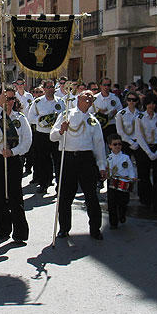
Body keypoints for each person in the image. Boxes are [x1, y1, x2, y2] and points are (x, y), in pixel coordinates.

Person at [50, 90, 107, 240]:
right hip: (68, 157)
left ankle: (95, 228)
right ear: (78, 98)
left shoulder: (93, 121)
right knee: (65, 197)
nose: (89, 98)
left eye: (91, 97)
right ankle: (64, 228)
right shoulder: (65, 115)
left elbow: (99, 145)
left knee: (91, 196)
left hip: (86, 159)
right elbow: (52, 136)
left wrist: (102, 166)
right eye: (86, 95)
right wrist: (61, 130)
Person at [0, 86, 32, 244]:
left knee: (15, 195)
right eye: (7, 98)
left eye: (12, 99)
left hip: (14, 159)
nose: (10, 102)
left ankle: (20, 232)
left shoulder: (20, 118)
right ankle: (2, 229)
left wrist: (14, 151)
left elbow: (27, 141)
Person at [27, 79, 65, 194]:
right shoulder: (38, 102)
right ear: (44, 89)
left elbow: (65, 116)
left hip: (56, 134)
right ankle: (44, 183)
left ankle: (59, 185)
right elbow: (30, 118)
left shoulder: (61, 102)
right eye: (48, 87)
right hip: (42, 134)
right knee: (43, 161)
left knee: (58, 161)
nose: (50, 89)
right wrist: (41, 120)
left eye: (52, 87)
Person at [135, 93, 157, 212]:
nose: (151, 106)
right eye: (149, 103)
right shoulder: (139, 118)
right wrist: (148, 152)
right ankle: (146, 199)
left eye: (153, 103)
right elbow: (139, 135)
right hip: (144, 149)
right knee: (144, 176)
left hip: (156, 148)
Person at [106, 133, 136, 230]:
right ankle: (113, 223)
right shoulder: (108, 158)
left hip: (124, 181)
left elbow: (130, 168)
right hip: (112, 181)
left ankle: (122, 214)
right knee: (112, 203)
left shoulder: (125, 157)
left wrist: (132, 177)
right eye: (115, 144)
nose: (117, 146)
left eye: (119, 144)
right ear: (110, 146)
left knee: (123, 201)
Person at [92, 77, 122, 142]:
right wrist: (99, 113)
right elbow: (90, 112)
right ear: (100, 86)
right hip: (99, 126)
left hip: (111, 125)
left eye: (108, 85)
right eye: (104, 85)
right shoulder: (95, 98)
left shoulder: (115, 98)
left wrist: (115, 113)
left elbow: (120, 111)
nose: (106, 87)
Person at [115, 91, 140, 157]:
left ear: (137, 101)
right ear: (126, 100)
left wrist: (137, 142)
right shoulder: (121, 114)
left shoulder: (140, 114)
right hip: (125, 142)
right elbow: (120, 131)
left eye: (134, 100)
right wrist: (131, 142)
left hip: (138, 142)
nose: (131, 102)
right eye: (129, 100)